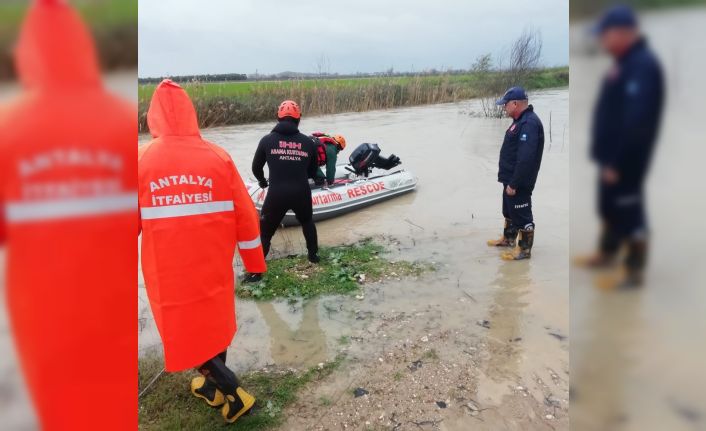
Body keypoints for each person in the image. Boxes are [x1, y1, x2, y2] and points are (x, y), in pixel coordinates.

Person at [0, 2, 137, 429]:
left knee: (60, 407)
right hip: (112, 300)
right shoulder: (120, 120)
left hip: (42, 310)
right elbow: (136, 222)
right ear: (84, 49)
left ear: (27, 54)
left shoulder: (8, 128)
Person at [139, 79, 266, 424]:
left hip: (169, 276)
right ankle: (211, 388)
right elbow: (247, 218)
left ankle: (235, 393)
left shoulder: (142, 161)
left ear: (154, 117)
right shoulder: (218, 157)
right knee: (213, 327)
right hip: (213, 267)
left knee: (186, 333)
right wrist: (255, 263)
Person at [577, 5, 664, 287]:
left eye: (604, 35)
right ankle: (607, 254)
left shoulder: (642, 65)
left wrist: (618, 161)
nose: (601, 41)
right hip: (611, 157)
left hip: (627, 159)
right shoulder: (624, 64)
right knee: (609, 206)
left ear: (623, 33)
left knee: (629, 211)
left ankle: (633, 273)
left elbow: (638, 121)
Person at [251, 100, 320, 268]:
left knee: (266, 232)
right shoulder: (308, 143)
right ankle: (313, 257)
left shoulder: (266, 140)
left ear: (278, 117)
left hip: (276, 193)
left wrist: (262, 181)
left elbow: (256, 167)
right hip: (301, 192)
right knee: (307, 222)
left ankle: (257, 270)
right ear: (298, 119)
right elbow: (313, 172)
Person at [487, 86, 545, 260]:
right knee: (509, 210)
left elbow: (526, 158)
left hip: (519, 182)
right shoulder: (519, 121)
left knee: (522, 215)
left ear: (515, 104)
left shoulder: (529, 123)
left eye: (505, 104)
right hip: (510, 179)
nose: (504, 107)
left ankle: (524, 250)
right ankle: (508, 239)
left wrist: (514, 183)